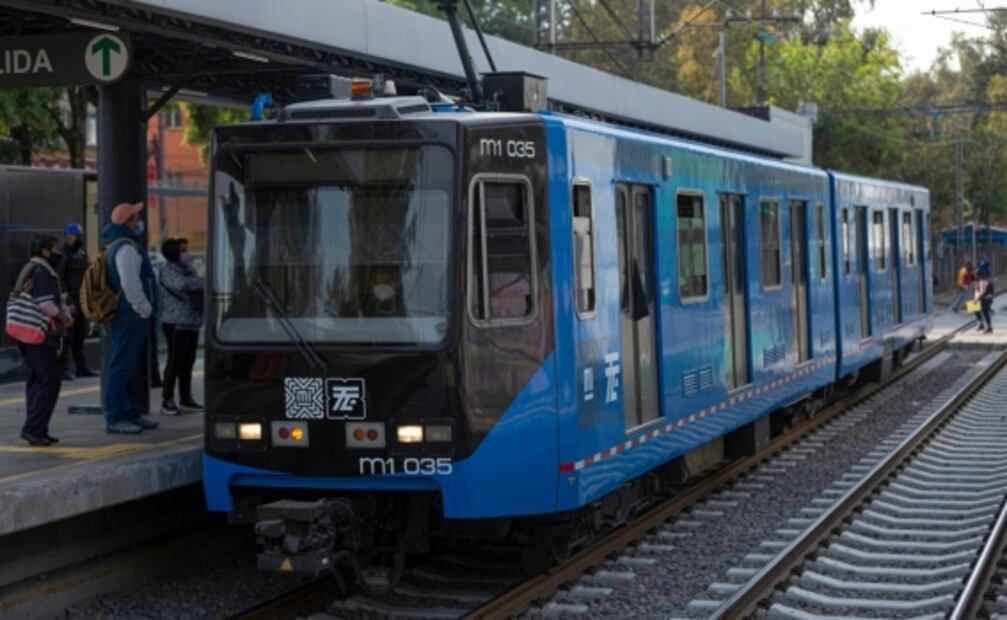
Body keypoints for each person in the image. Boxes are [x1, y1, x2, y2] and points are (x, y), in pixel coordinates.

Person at [102, 202, 160, 434]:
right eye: (136, 217)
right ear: (127, 222)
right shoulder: (126, 247)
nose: (139, 222)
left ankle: (131, 412)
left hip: (129, 314)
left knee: (128, 367)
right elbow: (130, 283)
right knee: (121, 367)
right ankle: (115, 417)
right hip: (130, 314)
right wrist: (143, 308)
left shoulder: (119, 244)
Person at [15, 236, 73, 445]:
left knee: (36, 381)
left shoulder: (28, 268)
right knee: (50, 380)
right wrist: (65, 319)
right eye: (56, 249)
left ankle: (38, 430)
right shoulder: (43, 271)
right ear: (46, 251)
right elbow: (45, 303)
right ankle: (33, 428)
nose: (60, 253)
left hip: (24, 332)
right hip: (39, 333)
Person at [158, 237, 204, 415]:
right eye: (183, 250)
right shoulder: (168, 270)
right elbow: (182, 285)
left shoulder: (188, 268)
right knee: (175, 361)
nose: (187, 254)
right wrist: (199, 281)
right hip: (175, 323)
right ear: (174, 253)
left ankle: (186, 398)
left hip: (192, 322)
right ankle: (167, 400)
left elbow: (196, 282)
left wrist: (198, 282)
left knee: (188, 362)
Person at [57, 223, 97, 380]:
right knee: (67, 337)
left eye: (76, 237)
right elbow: (60, 278)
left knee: (80, 336)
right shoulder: (63, 256)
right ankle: (62, 369)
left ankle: (82, 368)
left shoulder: (81, 254)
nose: (74, 240)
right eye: (71, 237)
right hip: (70, 300)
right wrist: (67, 300)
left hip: (82, 299)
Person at [974, 269, 995, 334]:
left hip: (985, 299)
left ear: (979, 275)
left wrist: (977, 299)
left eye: (976, 275)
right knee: (976, 310)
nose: (975, 277)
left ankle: (989, 327)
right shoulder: (980, 281)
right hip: (983, 298)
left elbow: (983, 292)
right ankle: (981, 324)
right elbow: (978, 290)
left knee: (985, 313)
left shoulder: (983, 281)